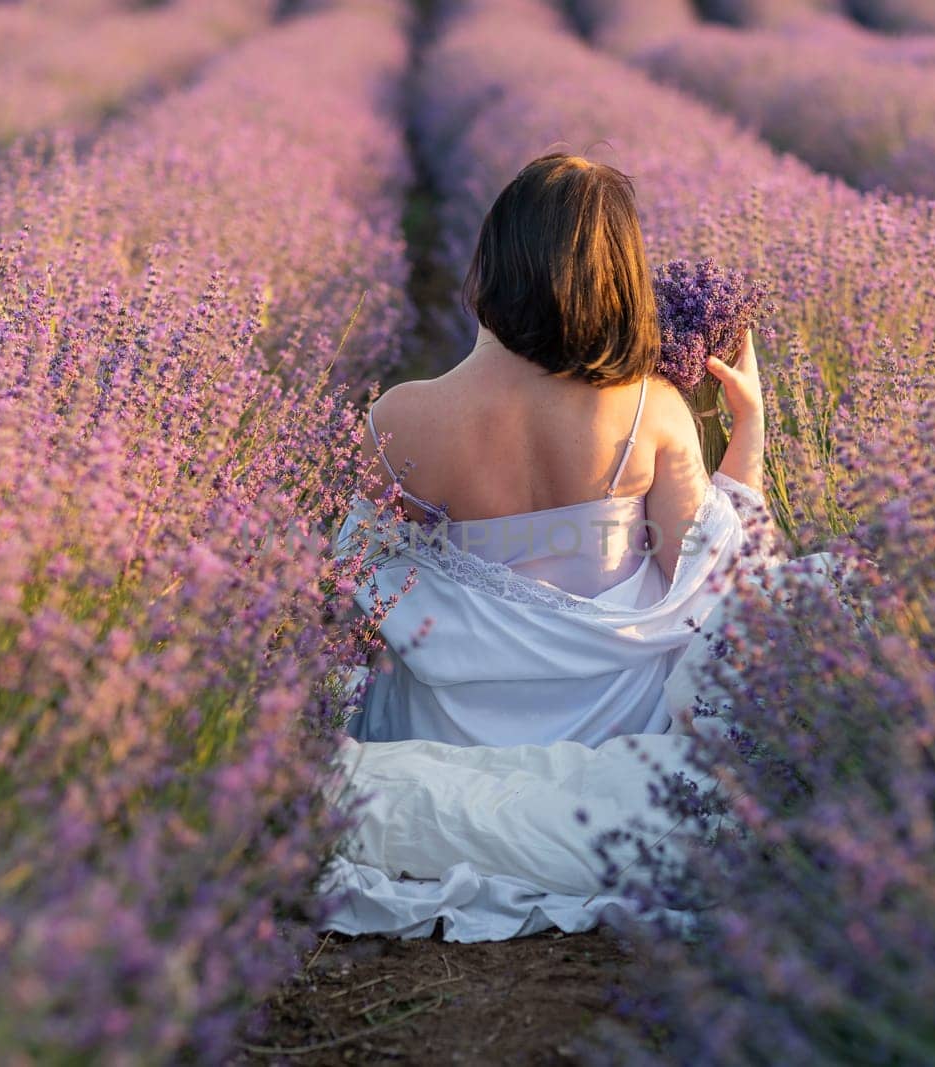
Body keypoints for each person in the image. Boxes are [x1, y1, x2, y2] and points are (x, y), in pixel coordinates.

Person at [318, 152, 799, 942]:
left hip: (447, 727)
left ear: (492, 263)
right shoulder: (653, 407)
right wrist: (749, 429)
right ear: (619, 279)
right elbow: (713, 581)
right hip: (615, 727)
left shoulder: (402, 417)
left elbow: (349, 589)